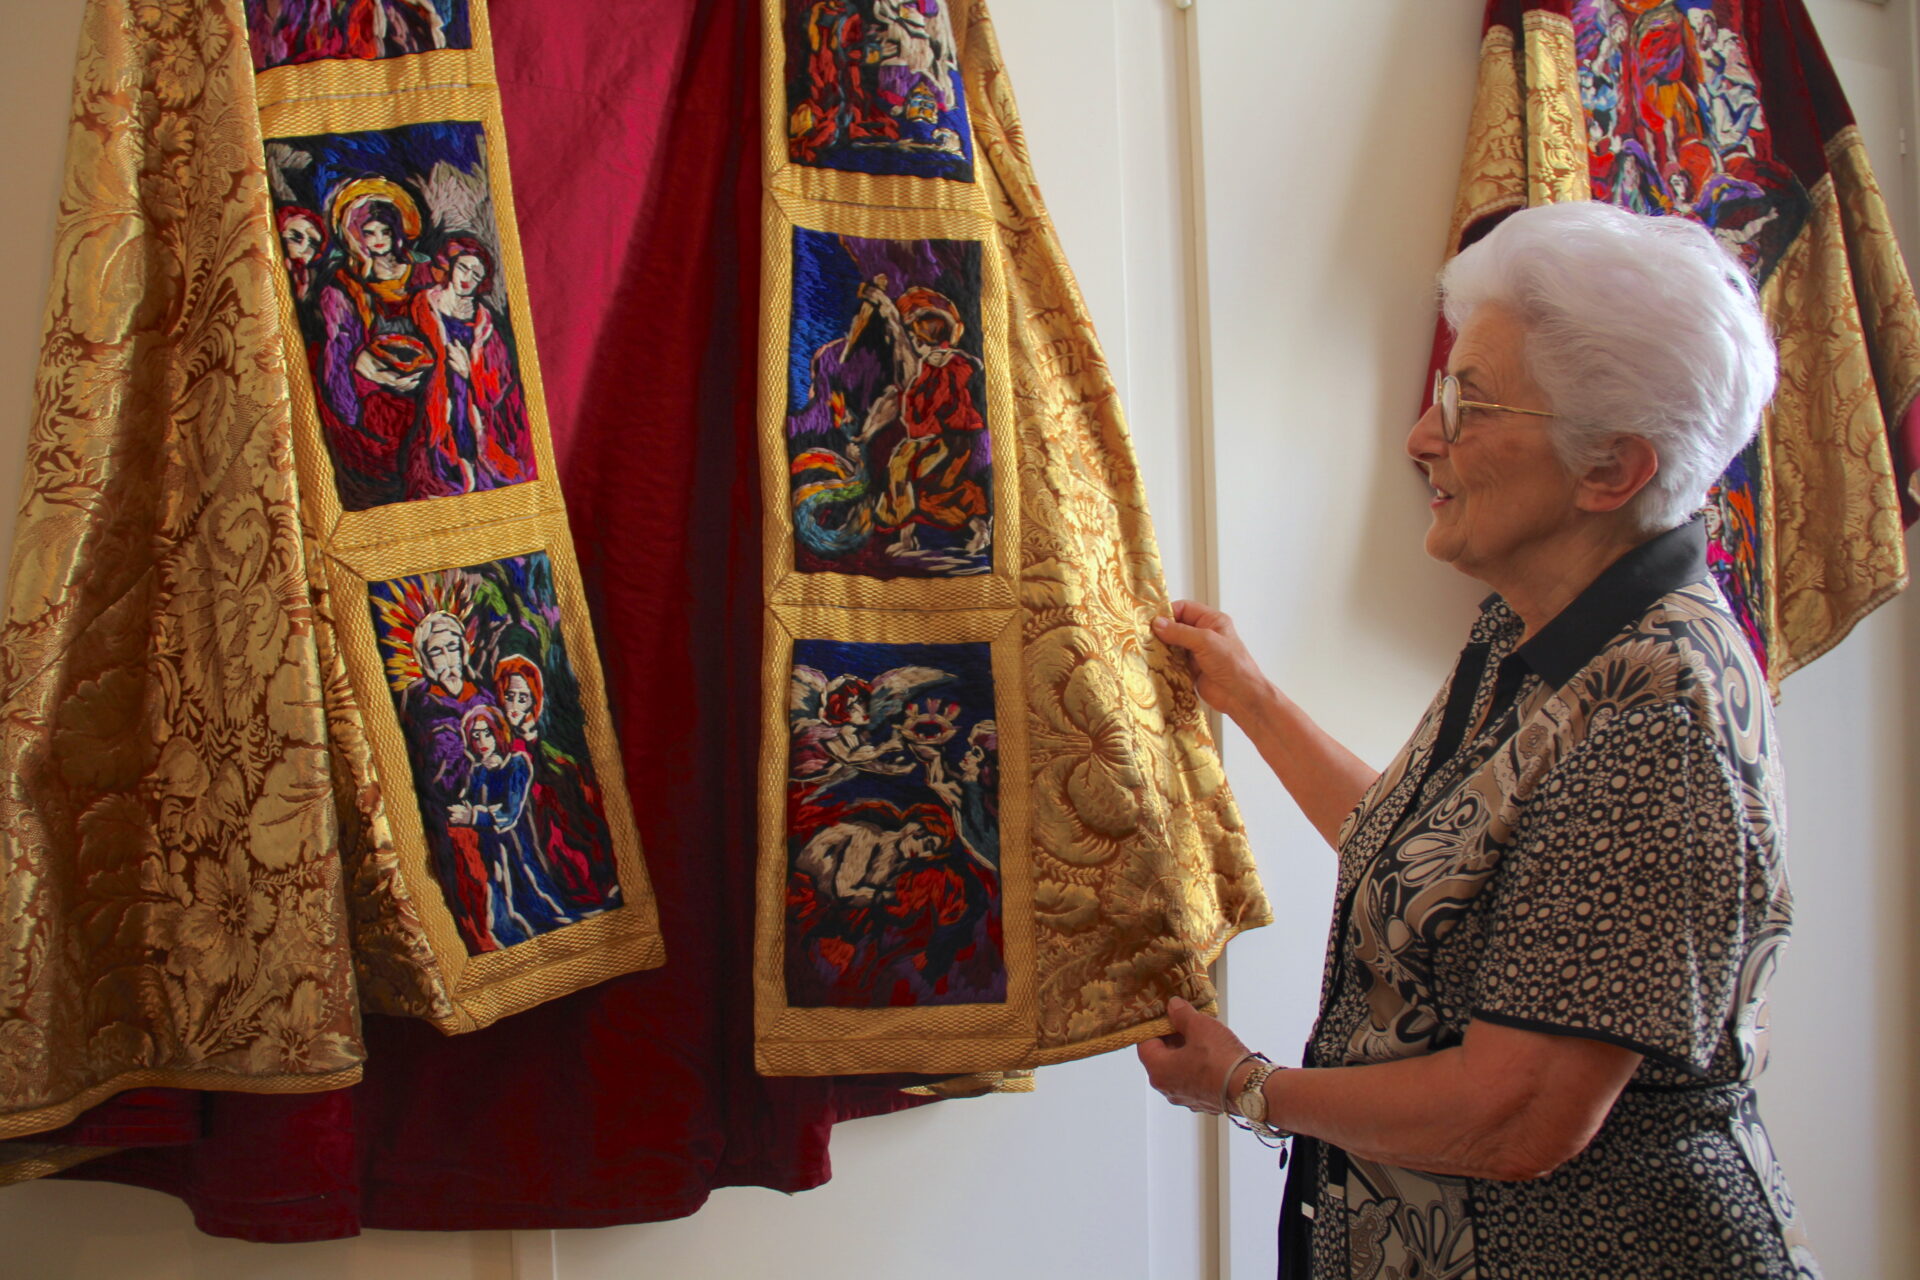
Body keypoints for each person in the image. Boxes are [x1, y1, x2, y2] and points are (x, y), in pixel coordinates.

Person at [1140, 202, 1816, 1278]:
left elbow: (1520, 1113)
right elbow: (1434, 853)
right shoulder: (1534, 615)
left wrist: (1245, 1084)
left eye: (1468, 401)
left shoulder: (1660, 718)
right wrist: (1254, 700)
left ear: (1611, 470)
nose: (1421, 436)